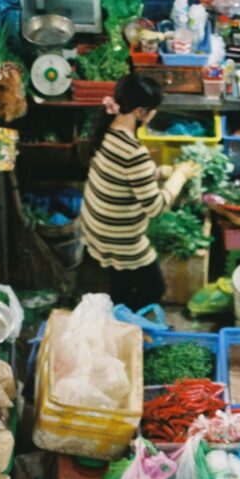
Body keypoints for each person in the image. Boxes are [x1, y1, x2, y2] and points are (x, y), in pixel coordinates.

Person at [81, 72, 198, 312]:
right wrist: (180, 175)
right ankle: (121, 319)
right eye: (153, 109)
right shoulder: (134, 153)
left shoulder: (108, 130)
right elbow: (156, 208)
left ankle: (119, 309)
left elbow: (125, 175)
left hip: (95, 225)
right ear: (140, 112)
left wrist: (161, 172)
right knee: (153, 289)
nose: (154, 114)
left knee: (121, 282)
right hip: (117, 236)